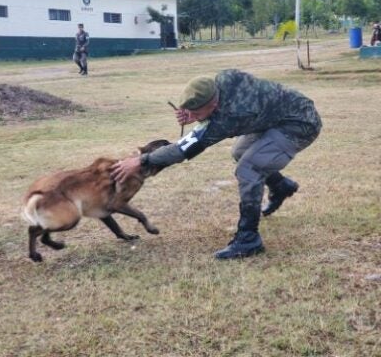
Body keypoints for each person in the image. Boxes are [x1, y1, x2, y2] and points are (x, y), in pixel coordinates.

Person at [110, 69, 321, 260]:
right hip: (276, 116)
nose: (193, 118)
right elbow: (219, 113)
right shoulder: (223, 80)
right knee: (240, 152)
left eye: (198, 113)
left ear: (214, 104)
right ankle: (280, 186)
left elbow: (183, 149)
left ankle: (248, 239)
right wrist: (196, 115)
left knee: (249, 168)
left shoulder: (230, 117)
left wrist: (142, 160)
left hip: (299, 123)